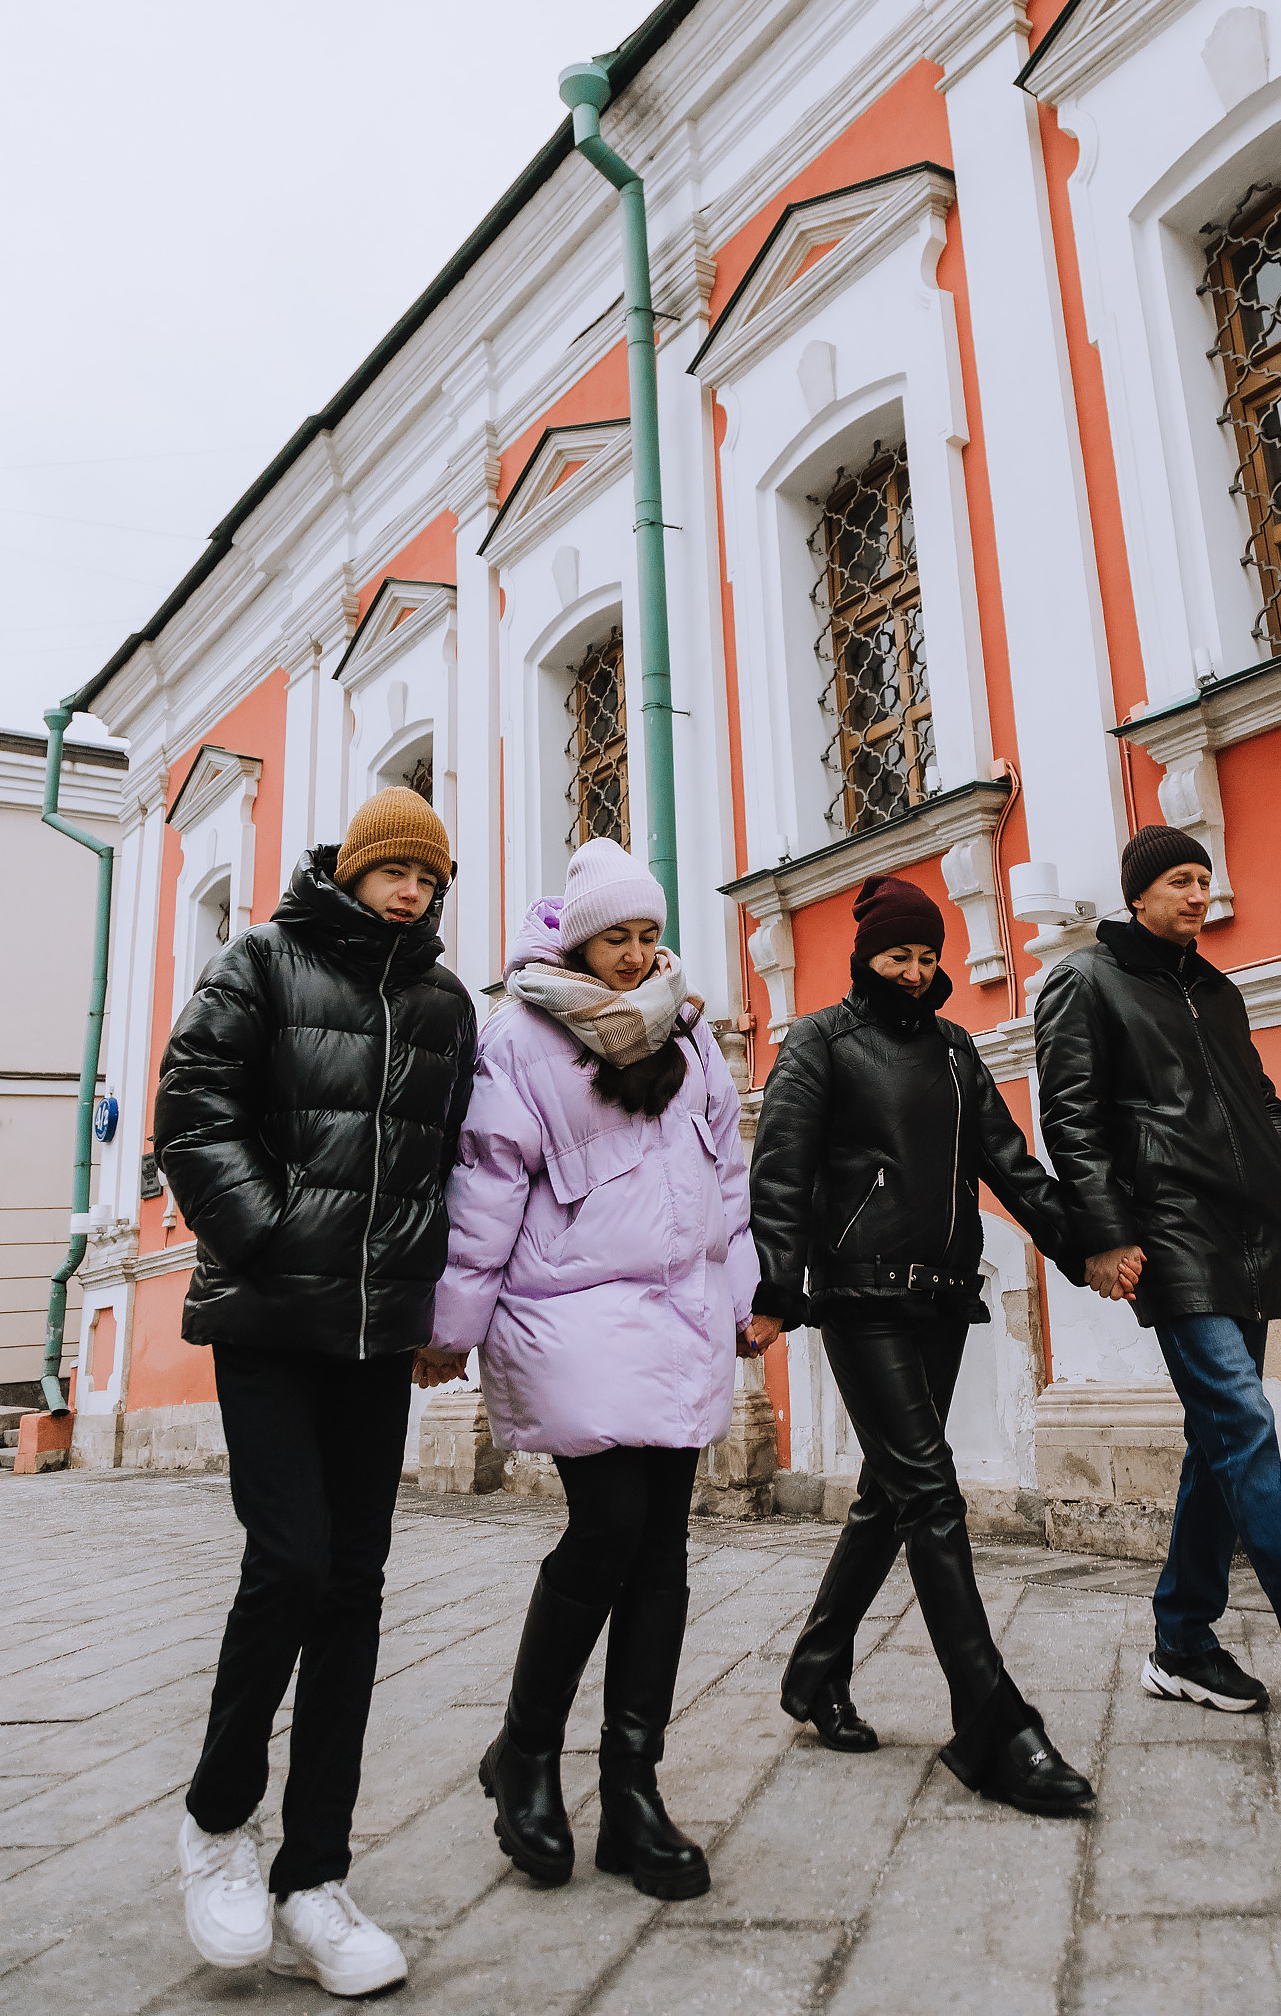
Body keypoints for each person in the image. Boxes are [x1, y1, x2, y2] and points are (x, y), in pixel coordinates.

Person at [154, 786, 478, 1995]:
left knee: (352, 1587)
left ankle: (314, 1876)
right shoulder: (262, 962)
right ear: (353, 868)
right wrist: (273, 1230)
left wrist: (441, 1312)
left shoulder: (444, 1003)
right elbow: (193, 1108)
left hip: (375, 1340)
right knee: (287, 1562)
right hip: (270, 1324)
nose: (415, 893)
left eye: (432, 882)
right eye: (398, 873)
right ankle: (216, 1825)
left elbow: (458, 1167)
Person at [1033, 824, 1281, 1760]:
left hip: (1250, 1231)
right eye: (1179, 878)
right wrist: (1104, 1231)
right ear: (1137, 893)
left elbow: (1257, 1090)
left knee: (1219, 1442)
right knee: (1246, 1424)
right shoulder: (1085, 982)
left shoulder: (1216, 988)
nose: (1197, 892)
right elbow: (1070, 1117)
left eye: (1204, 878)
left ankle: (1181, 1640)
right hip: (1170, 1234)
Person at [420, 837, 760, 1902]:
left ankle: (631, 1794)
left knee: (660, 1553)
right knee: (609, 1531)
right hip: (566, 1313)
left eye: (648, 932)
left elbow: (727, 1177)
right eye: (617, 934)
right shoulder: (519, 1039)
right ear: (577, 939)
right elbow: (483, 1193)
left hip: (677, 1314)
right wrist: (450, 1325)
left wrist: (747, 1297)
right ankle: (525, 1752)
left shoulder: (692, 1035)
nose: (635, 952)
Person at [746, 873, 1097, 1815]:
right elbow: (778, 1173)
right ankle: (990, 1722)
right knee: (931, 1492)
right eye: (898, 954)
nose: (915, 970)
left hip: (942, 1298)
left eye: (927, 953)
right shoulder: (818, 1042)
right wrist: (778, 1290)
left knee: (890, 1491)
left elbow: (1011, 1162)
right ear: (865, 956)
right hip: (860, 1298)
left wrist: (1088, 1244)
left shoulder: (953, 1048)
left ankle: (815, 1667)